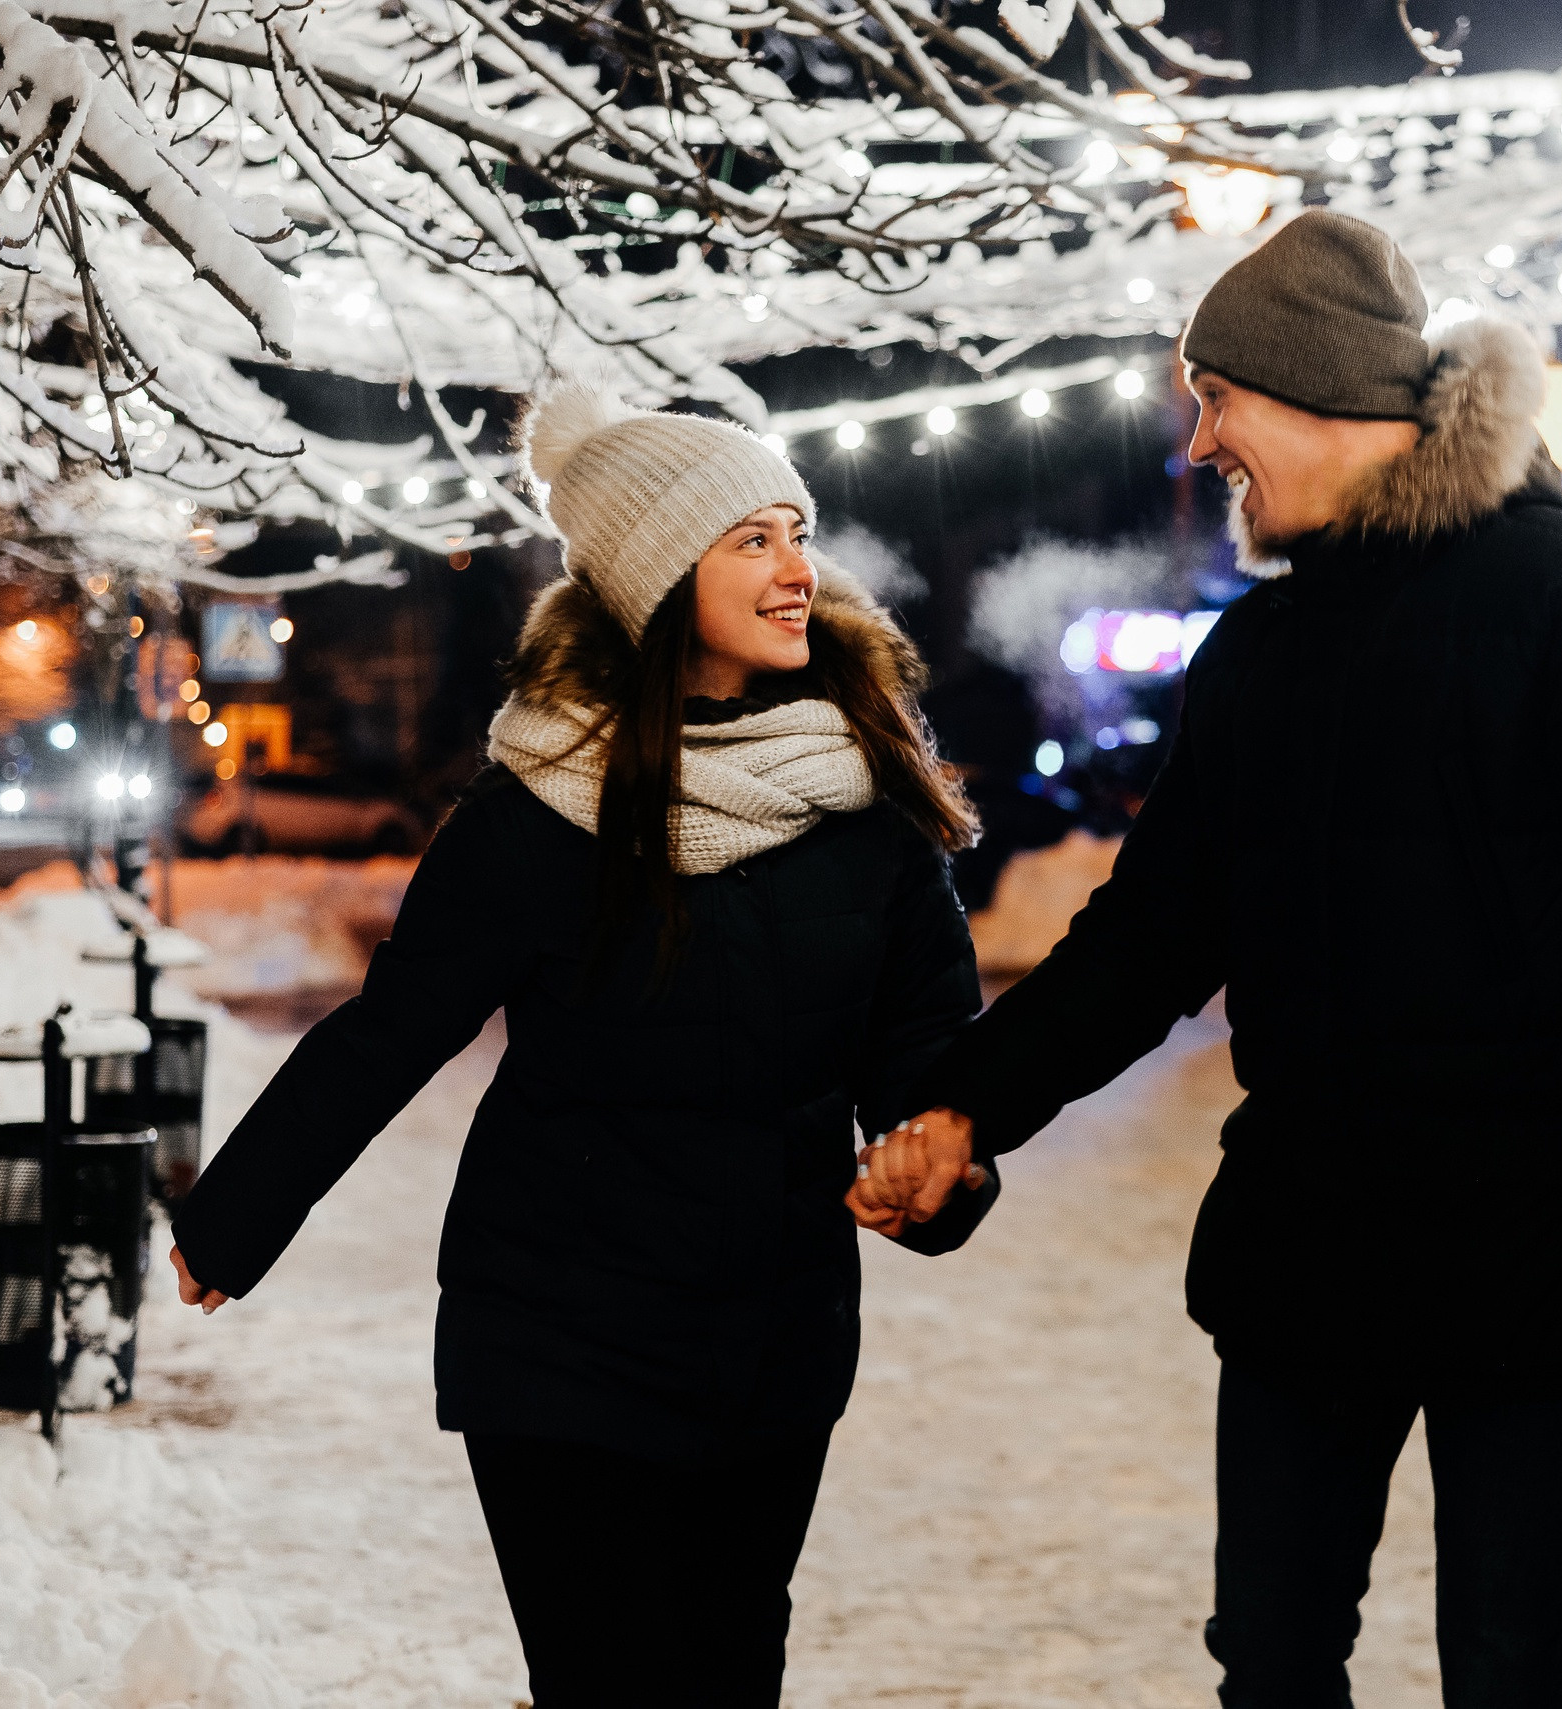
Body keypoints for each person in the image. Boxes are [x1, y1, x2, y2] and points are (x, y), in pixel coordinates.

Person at [853, 210, 1562, 1707]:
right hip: (1312, 1252)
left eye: (1218, 398)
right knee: (1275, 1657)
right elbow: (1150, 936)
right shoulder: (1261, 656)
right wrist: (971, 1104)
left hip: (1538, 1257)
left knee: (1511, 1664)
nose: (1200, 442)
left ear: (1318, 394)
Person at [167, 383, 994, 1707]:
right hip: (559, 1326)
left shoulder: (865, 798)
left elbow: (925, 1045)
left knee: (729, 1672)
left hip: (771, 1335)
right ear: (666, 576)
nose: (800, 570)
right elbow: (394, 1030)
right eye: (756, 539)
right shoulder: (535, 812)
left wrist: (943, 1165)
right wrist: (241, 1210)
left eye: (799, 532)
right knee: (609, 1679)